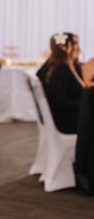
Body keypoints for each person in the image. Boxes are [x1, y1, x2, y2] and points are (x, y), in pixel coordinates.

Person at [37, 32, 94, 195]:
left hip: (64, 117)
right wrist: (83, 105)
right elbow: (60, 102)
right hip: (65, 121)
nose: (78, 48)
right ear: (66, 47)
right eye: (75, 44)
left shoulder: (67, 65)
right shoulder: (61, 70)